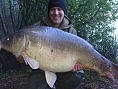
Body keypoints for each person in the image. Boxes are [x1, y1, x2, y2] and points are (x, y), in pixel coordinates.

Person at [27, 0, 85, 89]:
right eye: (53, 9)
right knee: (36, 84)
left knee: (78, 74)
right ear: (49, 11)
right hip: (41, 69)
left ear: (64, 12)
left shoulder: (71, 31)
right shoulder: (37, 28)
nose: (56, 13)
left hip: (64, 68)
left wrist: (77, 64)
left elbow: (77, 54)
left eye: (59, 9)